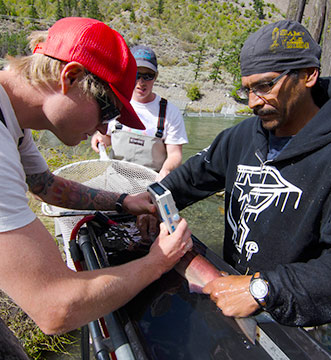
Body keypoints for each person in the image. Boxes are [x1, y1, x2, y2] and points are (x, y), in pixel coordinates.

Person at [138, 20, 331, 327]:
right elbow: (190, 177)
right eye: (247, 89)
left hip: (293, 314)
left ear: (309, 75)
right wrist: (151, 202)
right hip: (230, 289)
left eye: (266, 85)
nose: (254, 101)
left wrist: (263, 289)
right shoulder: (243, 135)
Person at [0, 16, 193, 354]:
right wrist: (158, 262)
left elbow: (46, 186)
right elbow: (54, 308)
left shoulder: (12, 115)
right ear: (70, 77)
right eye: (106, 110)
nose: (103, 127)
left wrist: (122, 201)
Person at [91, 45, 188, 180]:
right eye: (136, 74)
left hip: (151, 182)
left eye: (148, 76)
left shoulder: (170, 112)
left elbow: (175, 154)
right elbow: (107, 137)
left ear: (156, 77)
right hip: (115, 178)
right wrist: (100, 139)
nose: (141, 82)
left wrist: (165, 171)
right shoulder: (114, 102)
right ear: (128, 74)